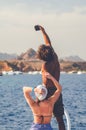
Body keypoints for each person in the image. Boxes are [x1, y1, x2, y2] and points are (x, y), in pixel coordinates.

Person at [36, 25, 65, 130]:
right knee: (60, 120)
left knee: (40, 117)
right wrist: (43, 31)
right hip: (57, 91)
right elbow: (48, 43)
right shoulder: (55, 57)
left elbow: (45, 82)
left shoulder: (45, 65)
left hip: (47, 92)